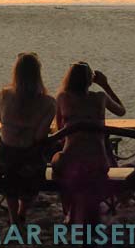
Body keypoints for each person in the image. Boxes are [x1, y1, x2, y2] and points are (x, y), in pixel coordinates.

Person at [52, 62, 125, 224]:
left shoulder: (63, 98)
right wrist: (105, 85)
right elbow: (121, 111)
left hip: (71, 160)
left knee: (57, 162)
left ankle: (69, 210)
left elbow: (59, 132)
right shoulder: (100, 97)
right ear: (90, 81)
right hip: (98, 162)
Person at [0, 52, 56, 225]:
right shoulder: (49, 103)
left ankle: (14, 216)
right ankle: (22, 211)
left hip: (5, 156)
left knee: (10, 184)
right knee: (36, 164)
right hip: (29, 159)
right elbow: (39, 136)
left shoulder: (3, 96)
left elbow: (3, 123)